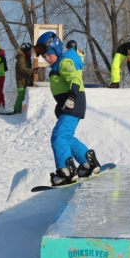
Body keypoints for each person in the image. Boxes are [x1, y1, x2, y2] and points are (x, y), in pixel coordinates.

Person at [33, 31, 101, 186]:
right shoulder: (59, 64)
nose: (47, 58)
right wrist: (61, 105)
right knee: (67, 137)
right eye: (44, 57)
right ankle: (88, 163)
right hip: (69, 104)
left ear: (56, 50)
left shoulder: (64, 62)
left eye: (48, 55)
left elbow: (75, 79)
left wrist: (71, 98)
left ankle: (66, 171)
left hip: (74, 102)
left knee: (59, 136)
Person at [13, 42, 35, 114]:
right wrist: (32, 71)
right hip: (21, 80)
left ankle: (21, 109)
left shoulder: (27, 58)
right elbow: (22, 69)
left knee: (25, 95)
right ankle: (16, 110)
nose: (30, 52)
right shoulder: (21, 58)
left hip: (26, 80)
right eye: (29, 50)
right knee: (21, 95)